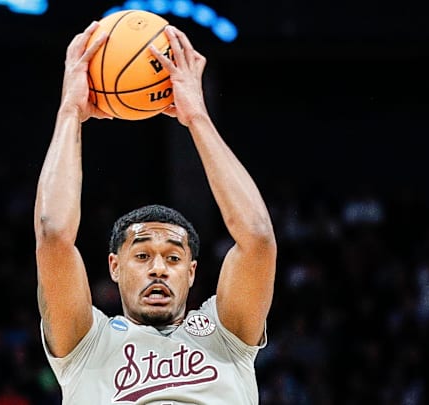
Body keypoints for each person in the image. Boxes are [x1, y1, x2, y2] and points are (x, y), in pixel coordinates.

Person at [34, 19, 277, 404]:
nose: (159, 268)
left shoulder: (224, 334)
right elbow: (53, 235)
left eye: (174, 257)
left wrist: (197, 116)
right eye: (143, 254)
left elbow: (258, 238)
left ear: (192, 272)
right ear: (114, 266)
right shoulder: (86, 341)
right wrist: (69, 113)